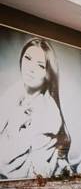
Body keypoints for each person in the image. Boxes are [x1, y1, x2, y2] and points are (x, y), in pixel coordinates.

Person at [0, 37, 72, 179]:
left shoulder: (49, 112)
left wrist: (13, 126)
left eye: (40, 65)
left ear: (48, 75)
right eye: (27, 58)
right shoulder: (11, 95)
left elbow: (7, 161)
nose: (31, 68)